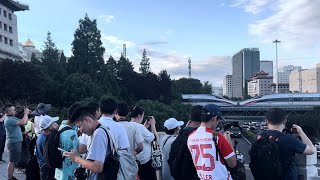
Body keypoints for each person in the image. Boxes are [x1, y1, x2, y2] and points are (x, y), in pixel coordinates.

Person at [251, 108, 315, 180]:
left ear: (266, 121)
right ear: (285, 121)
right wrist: (301, 132)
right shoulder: (288, 139)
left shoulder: (259, 137)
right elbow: (311, 150)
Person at [187, 104, 236, 180]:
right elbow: (232, 163)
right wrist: (228, 139)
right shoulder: (217, 136)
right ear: (214, 119)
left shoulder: (190, 137)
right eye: (218, 120)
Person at [63, 106, 110, 180]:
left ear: (87, 120)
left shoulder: (99, 134)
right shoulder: (102, 130)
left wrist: (76, 158)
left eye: (79, 126)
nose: (79, 130)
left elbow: (98, 167)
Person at [168, 105, 202, 180]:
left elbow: (171, 158)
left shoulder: (181, 136)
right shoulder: (202, 137)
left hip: (179, 176)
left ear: (190, 117)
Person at [54, 102, 82, 180]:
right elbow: (76, 153)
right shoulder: (72, 133)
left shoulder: (61, 127)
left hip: (59, 170)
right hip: (69, 172)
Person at [4, 105, 31, 180]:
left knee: (13, 160)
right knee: (12, 161)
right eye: (13, 110)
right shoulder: (9, 119)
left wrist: (25, 114)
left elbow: (23, 122)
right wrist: (26, 113)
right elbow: (23, 122)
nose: (15, 111)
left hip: (15, 142)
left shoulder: (12, 118)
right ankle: (10, 178)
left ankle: (11, 176)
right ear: (9, 112)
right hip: (13, 143)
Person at [130, 106, 157, 180]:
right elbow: (153, 138)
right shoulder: (139, 126)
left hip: (132, 160)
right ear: (139, 115)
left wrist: (145, 126)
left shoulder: (128, 125)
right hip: (144, 162)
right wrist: (153, 125)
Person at [36, 115, 59, 180]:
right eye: (53, 123)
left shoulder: (41, 136)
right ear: (49, 127)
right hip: (46, 168)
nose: (55, 124)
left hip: (43, 166)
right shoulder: (46, 139)